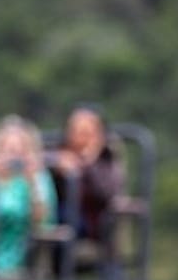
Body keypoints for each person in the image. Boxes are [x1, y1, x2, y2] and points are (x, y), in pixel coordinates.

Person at [0, 116, 57, 280]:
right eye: (7, 150)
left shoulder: (38, 179)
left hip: (21, 258)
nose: (13, 158)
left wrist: (32, 184)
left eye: (19, 151)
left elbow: (42, 221)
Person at [50, 104, 124, 250]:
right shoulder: (58, 153)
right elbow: (35, 159)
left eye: (87, 132)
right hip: (60, 217)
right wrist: (56, 164)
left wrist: (88, 164)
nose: (81, 138)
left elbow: (107, 193)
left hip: (96, 224)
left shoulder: (107, 160)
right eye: (76, 131)